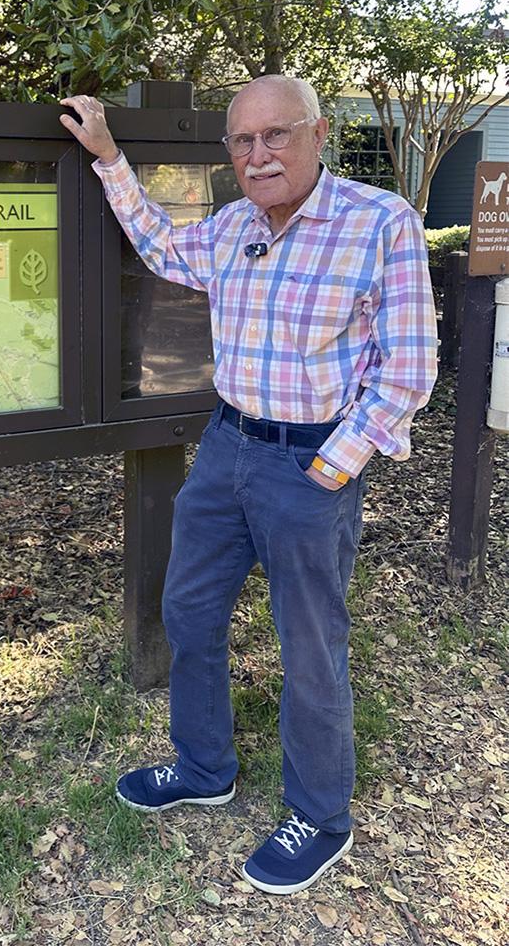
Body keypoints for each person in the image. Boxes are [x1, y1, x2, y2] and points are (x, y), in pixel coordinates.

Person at [58, 76, 438, 896]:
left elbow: (407, 371)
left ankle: (321, 816)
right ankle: (204, 766)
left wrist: (333, 465)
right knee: (189, 608)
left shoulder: (380, 223)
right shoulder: (231, 226)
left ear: (318, 133)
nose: (258, 154)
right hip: (226, 447)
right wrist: (111, 158)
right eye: (241, 141)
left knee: (310, 646)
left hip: (313, 460)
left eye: (276, 135)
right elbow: (161, 245)